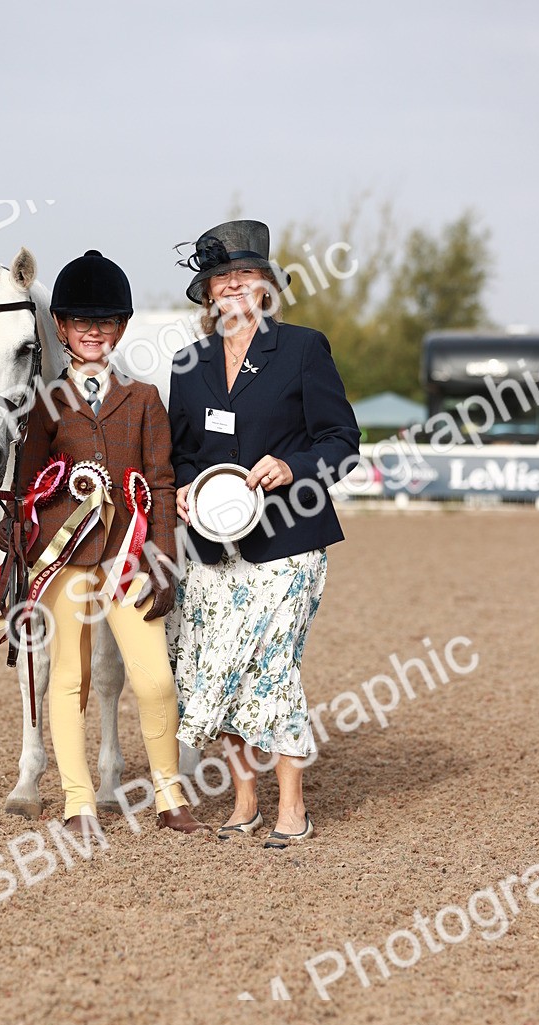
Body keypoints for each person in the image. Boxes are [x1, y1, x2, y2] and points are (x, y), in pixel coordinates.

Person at [167, 220, 360, 848]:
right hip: (211, 548)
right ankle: (246, 800)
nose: (234, 288)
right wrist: (188, 486)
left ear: (267, 286)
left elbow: (342, 443)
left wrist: (293, 466)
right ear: (207, 291)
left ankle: (292, 807)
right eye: (222, 279)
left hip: (289, 540)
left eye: (246, 277)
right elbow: (183, 453)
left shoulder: (303, 349)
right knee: (218, 668)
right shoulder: (188, 364)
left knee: (273, 670)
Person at [12, 250, 208, 836]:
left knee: (154, 678)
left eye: (105, 323)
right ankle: (78, 801)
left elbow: (164, 479)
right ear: (64, 330)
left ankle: (171, 794)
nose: (93, 332)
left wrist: (164, 558)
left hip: (129, 555)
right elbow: (26, 482)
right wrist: (17, 532)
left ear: (120, 329)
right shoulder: (44, 404)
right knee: (68, 678)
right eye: (80, 323)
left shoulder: (144, 398)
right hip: (65, 560)